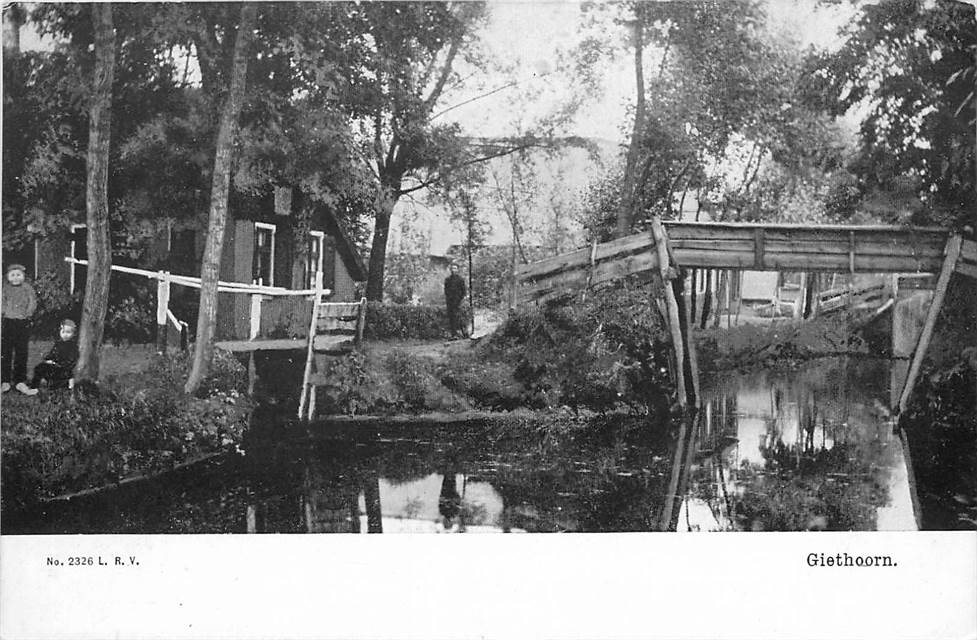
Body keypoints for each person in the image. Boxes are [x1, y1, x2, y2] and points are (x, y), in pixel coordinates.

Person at [1, 263, 37, 394]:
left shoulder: (27, 288)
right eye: (13, 275)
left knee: (22, 351)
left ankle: (20, 381)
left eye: (18, 275)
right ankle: (4, 381)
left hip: (22, 322)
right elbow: (2, 301)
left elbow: (32, 301)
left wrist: (28, 313)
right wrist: (4, 312)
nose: (16, 278)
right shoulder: (5, 288)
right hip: (8, 322)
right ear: (8, 277)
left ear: (23, 276)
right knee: (5, 351)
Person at [26, 319, 79, 394]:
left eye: (68, 332)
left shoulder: (73, 346)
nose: (65, 334)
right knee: (39, 368)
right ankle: (34, 387)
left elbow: (72, 360)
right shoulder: (58, 344)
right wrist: (48, 359)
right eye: (63, 332)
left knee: (58, 382)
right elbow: (52, 354)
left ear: (73, 334)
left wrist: (59, 363)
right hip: (54, 366)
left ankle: (64, 385)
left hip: (63, 368)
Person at [443, 263, 467, 338]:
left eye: (455, 268)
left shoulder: (460, 280)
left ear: (458, 270)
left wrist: (460, 300)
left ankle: (464, 333)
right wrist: (449, 299)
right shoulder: (448, 280)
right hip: (450, 302)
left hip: (458, 302)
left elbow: (464, 291)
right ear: (450, 270)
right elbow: (446, 291)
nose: (454, 270)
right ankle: (454, 335)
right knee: (451, 318)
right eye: (452, 268)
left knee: (459, 318)